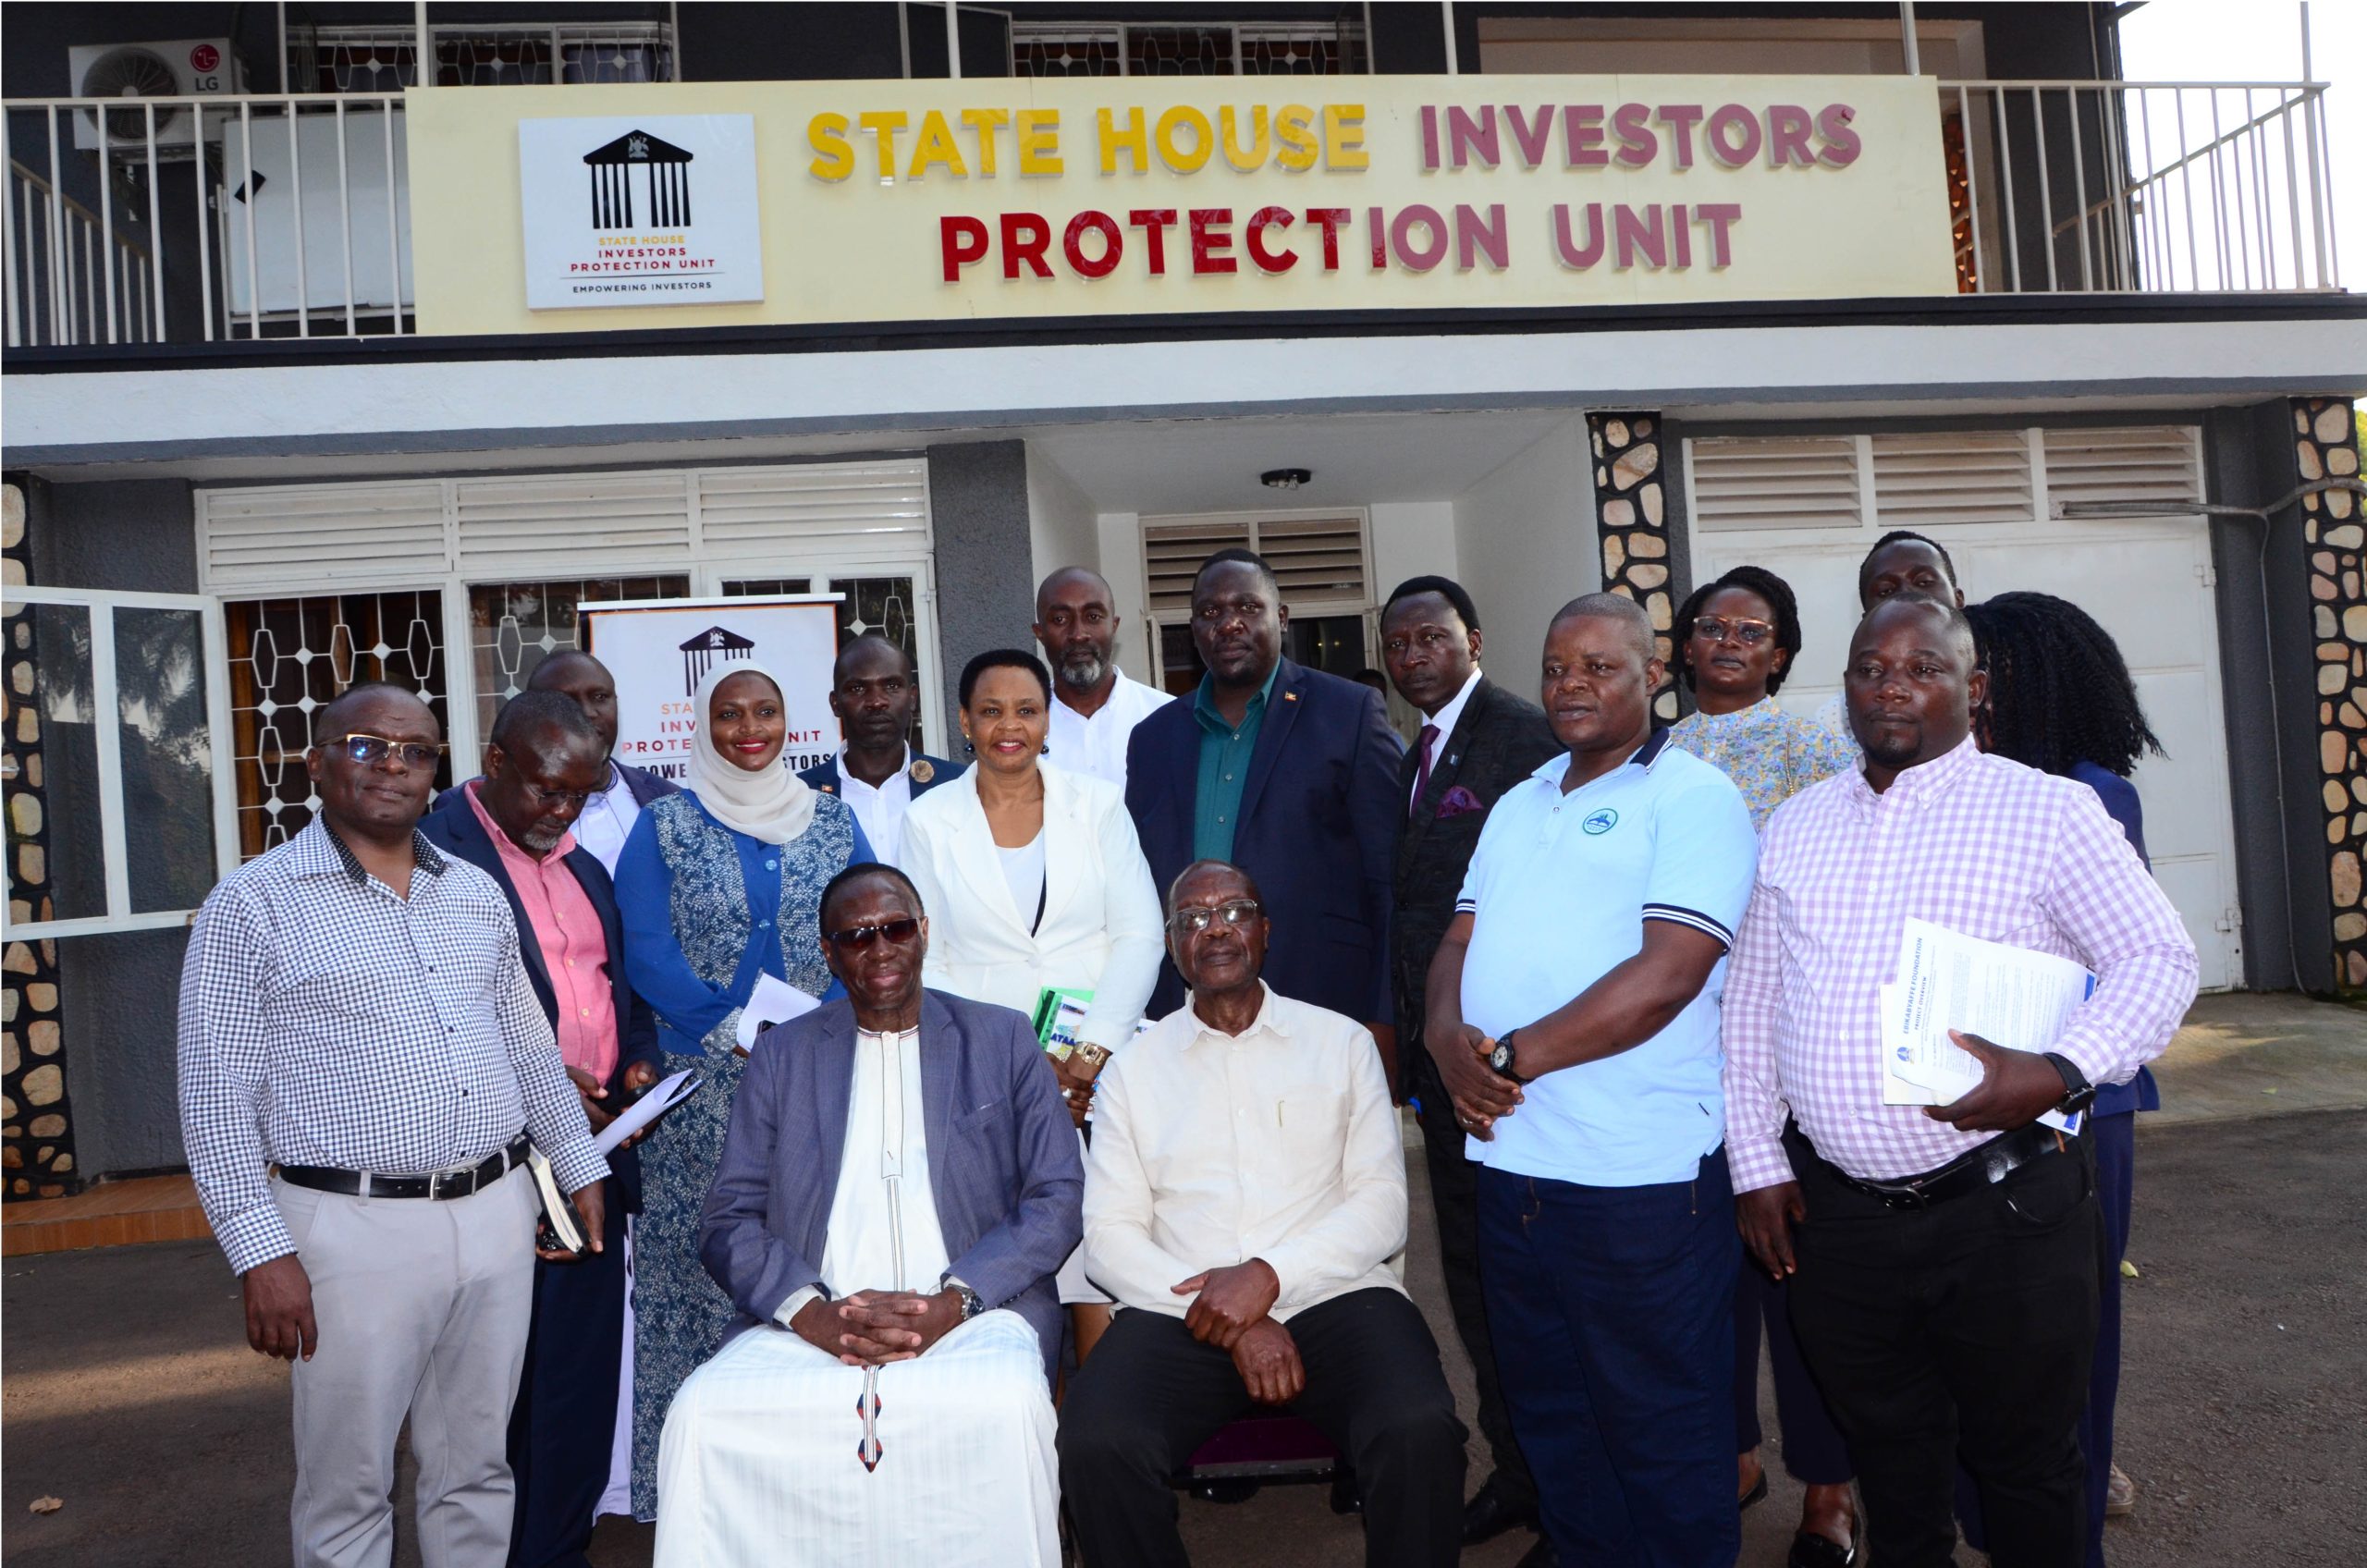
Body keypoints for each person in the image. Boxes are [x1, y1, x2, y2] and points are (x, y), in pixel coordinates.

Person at [1723, 594, 2199, 1568]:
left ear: (1971, 689)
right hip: (1842, 1222)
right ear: (1844, 686)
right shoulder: (1797, 827)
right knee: (1896, 1471)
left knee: (2026, 1471)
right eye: (1869, 667)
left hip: (2006, 1212)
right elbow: (1751, 1006)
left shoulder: (2049, 812)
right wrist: (1754, 1160)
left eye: (1921, 667)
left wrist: (2062, 1067)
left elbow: (2159, 957)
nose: (1891, 684)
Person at [178, 682, 609, 1568]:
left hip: (493, 1217)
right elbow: (214, 1094)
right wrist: (260, 1251)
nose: (394, 767)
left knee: (476, 1472)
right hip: (350, 1231)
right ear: (318, 762)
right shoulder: (252, 906)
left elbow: (528, 1047)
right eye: (368, 746)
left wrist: (577, 1160)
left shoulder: (475, 896)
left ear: (436, 772)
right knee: (349, 1489)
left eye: (414, 751)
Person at [1427, 593, 1759, 1568]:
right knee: (1556, 1418)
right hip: (1513, 1168)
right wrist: (1447, 1036)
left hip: (1636, 1182)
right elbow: (1458, 937)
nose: (1572, 684)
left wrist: (1507, 1058)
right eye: (1557, 667)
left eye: (1599, 666)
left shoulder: (1693, 796)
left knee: (1660, 1429)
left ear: (1652, 675)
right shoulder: (1522, 798)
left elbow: (1667, 975)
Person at [652, 864, 1082, 1566]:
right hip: (817, 1314)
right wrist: (813, 1314)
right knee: (701, 1416)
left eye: (895, 928)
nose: (879, 948)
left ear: (923, 934)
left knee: (1004, 1411)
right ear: (830, 953)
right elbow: (729, 1218)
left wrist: (954, 1300)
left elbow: (1058, 1198)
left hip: (973, 1311)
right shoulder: (783, 1054)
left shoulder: (1000, 1040)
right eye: (855, 937)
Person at [1061, 860, 1467, 1568]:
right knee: (1097, 1441)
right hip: (1176, 1308)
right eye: (1191, 919)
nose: (1213, 929)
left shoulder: (1342, 1045)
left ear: (1266, 930)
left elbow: (1382, 1210)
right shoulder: (1133, 1067)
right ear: (1171, 944)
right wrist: (1232, 1314)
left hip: (1336, 1296)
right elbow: (1109, 1240)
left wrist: (1267, 1278)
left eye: (1233, 911)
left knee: (1419, 1428)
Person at [614, 662, 872, 1521]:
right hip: (700, 1098)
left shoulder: (834, 821)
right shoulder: (665, 826)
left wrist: (810, 1029)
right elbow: (643, 950)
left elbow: (869, 931)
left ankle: (809, 1492)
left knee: (809, 1269)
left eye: (765, 712)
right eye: (729, 714)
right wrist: (725, 1023)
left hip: (816, 1084)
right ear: (703, 725)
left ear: (788, 723)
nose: (748, 728)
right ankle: (694, 1503)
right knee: (694, 1287)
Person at [419, 691, 661, 1568]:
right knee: (501, 1394)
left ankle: (558, 1550)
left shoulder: (583, 865)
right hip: (500, 1161)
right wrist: (547, 1089)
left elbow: (616, 987)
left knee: (578, 1385)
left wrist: (633, 1062)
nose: (561, 813)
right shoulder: (435, 856)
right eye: (547, 791)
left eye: (579, 796)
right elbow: (433, 1017)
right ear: (495, 761)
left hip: (595, 1158)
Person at [1966, 589, 2169, 1565]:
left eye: (1982, 669)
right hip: (1984, 1093)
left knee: (2070, 1333)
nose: (1966, 688)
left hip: (2078, 1101)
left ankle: (2073, 1516)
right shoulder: (1967, 784)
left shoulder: (2088, 793)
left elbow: (2123, 960)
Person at [1665, 565, 1861, 1566]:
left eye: (1753, 629)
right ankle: (1733, 1453)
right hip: (1676, 1050)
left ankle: (1828, 1487)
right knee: (1710, 1279)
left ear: (1780, 652)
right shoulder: (1652, 751)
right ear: (1686, 645)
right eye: (1712, 625)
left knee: (1797, 1275)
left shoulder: (1817, 745)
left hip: (1785, 1046)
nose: (1730, 640)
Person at [900, 648, 1163, 1362]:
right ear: (964, 723)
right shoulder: (927, 821)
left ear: (1048, 721)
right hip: (984, 1068)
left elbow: (1140, 934)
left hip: (1102, 1065)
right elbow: (929, 956)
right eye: (990, 712)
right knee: (1006, 1244)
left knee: (1103, 1243)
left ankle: (1100, 1428)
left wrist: (1086, 1054)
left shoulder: (1098, 803)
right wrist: (1017, 1061)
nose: (1008, 727)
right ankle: (1025, 1430)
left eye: (1026, 710)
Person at [1377, 574, 1560, 1562]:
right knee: (1478, 1284)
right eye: (1397, 642)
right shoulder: (1415, 753)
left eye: (1430, 636)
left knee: (1537, 1290)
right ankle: (1520, 1470)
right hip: (1440, 1075)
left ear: (1472, 639)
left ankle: (1569, 1497)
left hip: (1510, 1069)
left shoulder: (1523, 737)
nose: (1412, 654)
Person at [1124, 548, 1404, 1054]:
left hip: (1323, 1005)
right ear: (1193, 629)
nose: (1229, 623)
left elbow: (1389, 879)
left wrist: (1384, 1017)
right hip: (1185, 1019)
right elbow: (1136, 885)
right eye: (1211, 612)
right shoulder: (1152, 739)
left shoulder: (1350, 713)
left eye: (1248, 607)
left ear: (1281, 617)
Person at [798, 633, 962, 866]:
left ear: (913, 698)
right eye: (857, 688)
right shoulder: (800, 796)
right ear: (836, 704)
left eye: (892, 686)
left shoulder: (957, 786)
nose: (876, 701)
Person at [525, 650, 681, 875]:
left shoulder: (669, 801)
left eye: (599, 697)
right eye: (566, 701)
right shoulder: (498, 810)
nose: (587, 712)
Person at [1034, 565, 1173, 790]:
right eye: (1060, 619)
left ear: (1113, 626)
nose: (1078, 634)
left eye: (1093, 617)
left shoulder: (1166, 716)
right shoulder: (1023, 728)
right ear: (1039, 633)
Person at [1816, 532, 1967, 736]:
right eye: (1886, 590)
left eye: (1924, 582)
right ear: (1867, 616)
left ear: (1958, 599)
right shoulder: (1835, 720)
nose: (1907, 595)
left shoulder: (2011, 684)